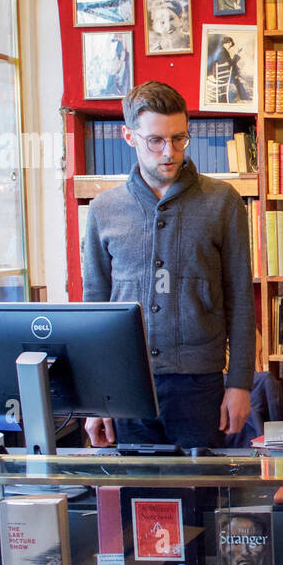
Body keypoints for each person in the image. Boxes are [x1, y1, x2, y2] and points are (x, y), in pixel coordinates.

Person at [82, 80, 253, 449]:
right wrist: (95, 398)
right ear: (129, 136)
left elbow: (241, 299)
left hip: (200, 384)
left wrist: (239, 384)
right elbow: (94, 307)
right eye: (155, 141)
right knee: (138, 498)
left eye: (179, 139)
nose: (169, 152)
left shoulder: (222, 202)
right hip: (126, 385)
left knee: (203, 498)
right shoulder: (103, 209)